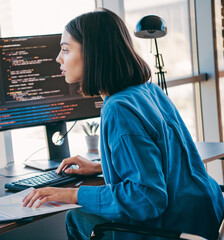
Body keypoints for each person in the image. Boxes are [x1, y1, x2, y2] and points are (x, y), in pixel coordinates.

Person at [22, 8, 224, 240]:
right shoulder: (147, 90)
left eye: (65, 50)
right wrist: (100, 168)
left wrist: (71, 194)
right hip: (205, 213)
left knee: (76, 218)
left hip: (176, 228)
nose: (58, 58)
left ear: (92, 54)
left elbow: (148, 199)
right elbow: (162, 159)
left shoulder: (118, 108)